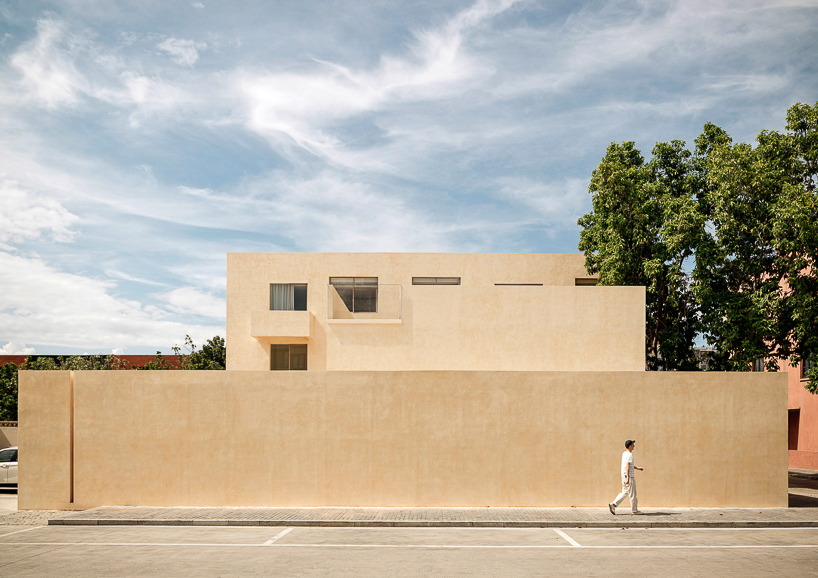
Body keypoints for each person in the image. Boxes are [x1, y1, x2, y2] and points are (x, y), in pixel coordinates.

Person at [609, 439, 643, 515]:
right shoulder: (629, 455)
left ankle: (613, 504)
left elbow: (629, 465)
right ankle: (634, 510)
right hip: (629, 477)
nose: (634, 446)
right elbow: (627, 466)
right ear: (630, 445)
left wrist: (638, 468)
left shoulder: (624, 453)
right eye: (633, 444)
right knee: (632, 494)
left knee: (624, 492)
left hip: (624, 476)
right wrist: (628, 477)